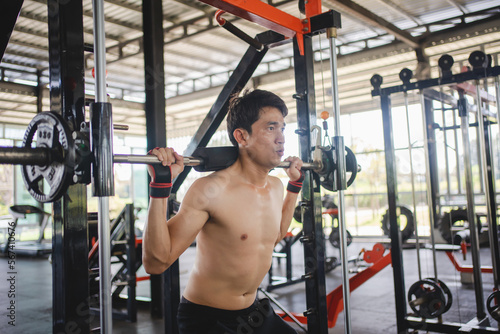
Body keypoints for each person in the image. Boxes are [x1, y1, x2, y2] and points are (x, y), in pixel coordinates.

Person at [143, 89, 303, 334]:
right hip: (207, 319)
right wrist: (161, 186)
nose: (281, 138)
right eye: (271, 128)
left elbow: (277, 234)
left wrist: (294, 186)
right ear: (242, 136)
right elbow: (156, 262)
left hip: (252, 312)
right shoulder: (210, 190)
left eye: (282, 128)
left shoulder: (275, 186)